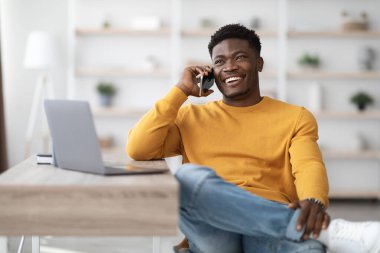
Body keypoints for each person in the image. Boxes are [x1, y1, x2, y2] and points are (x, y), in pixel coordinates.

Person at [126, 24, 380, 253]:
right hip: (214, 230)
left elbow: (308, 165)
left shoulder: (295, 117)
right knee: (185, 177)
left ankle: (306, 231)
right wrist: (180, 91)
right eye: (220, 61)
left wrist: (313, 201)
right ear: (211, 72)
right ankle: (329, 234)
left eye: (240, 57)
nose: (229, 67)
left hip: (269, 220)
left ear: (259, 63)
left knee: (310, 250)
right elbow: (138, 148)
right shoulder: (190, 116)